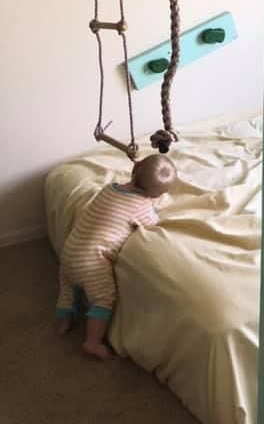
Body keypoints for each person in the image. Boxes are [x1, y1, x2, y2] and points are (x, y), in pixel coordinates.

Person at [54, 153, 177, 359]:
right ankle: (92, 342)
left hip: (70, 250)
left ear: (134, 171)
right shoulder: (141, 206)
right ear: (155, 196)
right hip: (92, 261)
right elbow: (152, 223)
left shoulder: (108, 189)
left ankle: (63, 321)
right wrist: (154, 209)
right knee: (103, 298)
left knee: (67, 287)